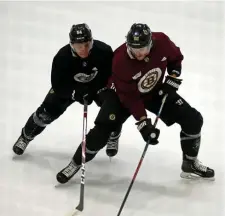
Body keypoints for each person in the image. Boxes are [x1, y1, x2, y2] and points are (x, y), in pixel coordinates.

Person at [56, 23, 215, 184]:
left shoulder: (162, 41)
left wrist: (173, 76)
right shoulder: (120, 60)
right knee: (101, 131)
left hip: (154, 92)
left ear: (151, 43)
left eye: (143, 49)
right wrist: (143, 123)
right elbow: (130, 98)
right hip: (121, 96)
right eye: (134, 49)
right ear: (128, 45)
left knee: (193, 119)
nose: (139, 54)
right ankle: (76, 162)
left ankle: (190, 163)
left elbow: (175, 58)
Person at [12, 23, 122, 158]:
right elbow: (58, 85)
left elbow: (110, 75)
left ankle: (113, 134)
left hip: (97, 87)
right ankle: (26, 136)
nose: (83, 50)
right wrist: (75, 93)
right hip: (70, 88)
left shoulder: (104, 51)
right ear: (71, 44)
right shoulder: (62, 57)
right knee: (45, 113)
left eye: (87, 44)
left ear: (92, 41)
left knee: (114, 106)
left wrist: (94, 90)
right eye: (78, 46)